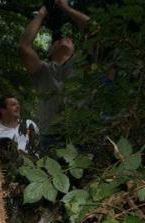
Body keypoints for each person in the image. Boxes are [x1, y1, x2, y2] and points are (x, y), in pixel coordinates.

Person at [18, 0, 91, 150]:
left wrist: (66, 8)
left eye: (70, 39)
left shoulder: (81, 65)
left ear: (74, 51)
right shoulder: (42, 70)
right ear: (50, 51)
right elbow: (24, 47)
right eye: (58, 40)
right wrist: (43, 11)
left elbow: (95, 31)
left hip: (81, 138)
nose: (65, 39)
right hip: (49, 139)